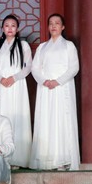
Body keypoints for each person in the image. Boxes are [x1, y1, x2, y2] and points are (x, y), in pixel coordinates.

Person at [30, 13, 80, 170]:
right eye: (51, 23)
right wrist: (44, 81)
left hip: (62, 87)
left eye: (57, 23)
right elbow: (35, 68)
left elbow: (74, 67)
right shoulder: (42, 47)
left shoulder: (69, 46)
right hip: (45, 88)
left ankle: (63, 159)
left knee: (62, 120)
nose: (53, 26)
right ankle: (47, 160)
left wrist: (57, 81)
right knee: (46, 120)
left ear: (63, 27)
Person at [0, 14, 33, 168]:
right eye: (7, 25)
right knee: (2, 117)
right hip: (1, 86)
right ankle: (1, 159)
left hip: (17, 85)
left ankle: (18, 158)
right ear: (2, 28)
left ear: (17, 29)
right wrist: (1, 79)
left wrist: (14, 78)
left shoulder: (24, 45)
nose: (10, 28)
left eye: (13, 26)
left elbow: (28, 66)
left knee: (17, 118)